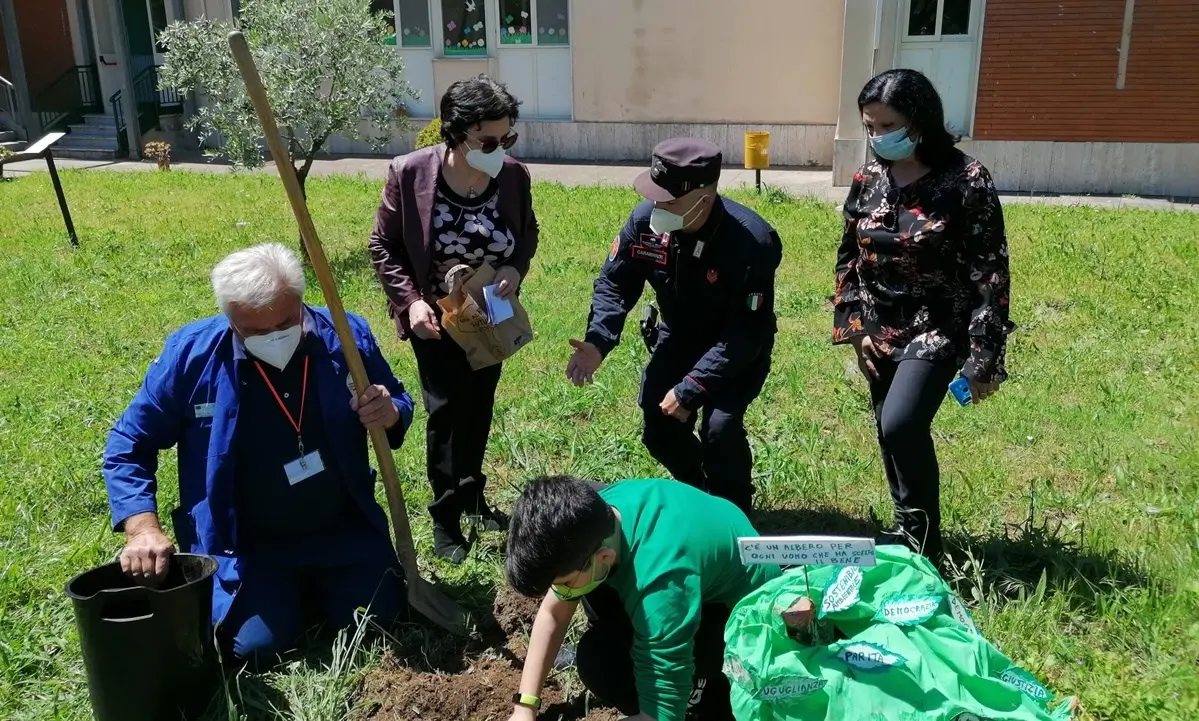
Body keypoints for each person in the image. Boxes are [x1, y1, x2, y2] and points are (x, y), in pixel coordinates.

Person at [103, 243, 415, 666]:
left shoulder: (345, 335)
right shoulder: (191, 356)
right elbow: (129, 443)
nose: (273, 338)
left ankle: (320, 590)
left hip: (341, 528)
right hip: (248, 547)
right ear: (230, 318)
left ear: (301, 300)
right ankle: (279, 598)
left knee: (380, 620)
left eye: (286, 322)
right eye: (254, 331)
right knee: (251, 651)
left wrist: (390, 410)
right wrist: (142, 529)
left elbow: (395, 397)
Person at [832, 68, 1014, 560]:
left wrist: (983, 358)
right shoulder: (869, 177)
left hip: (938, 325)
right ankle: (908, 531)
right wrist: (854, 329)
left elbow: (990, 273)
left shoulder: (965, 179)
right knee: (889, 432)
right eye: (869, 126)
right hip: (878, 324)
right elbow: (850, 253)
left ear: (920, 120)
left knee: (902, 425)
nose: (876, 137)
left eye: (886, 125)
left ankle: (925, 549)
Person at [370, 75, 539, 564]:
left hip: (491, 311)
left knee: (479, 405)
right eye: (489, 140)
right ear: (455, 131)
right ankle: (445, 519)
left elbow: (526, 234)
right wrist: (410, 302)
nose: (500, 149)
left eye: (508, 138)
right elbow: (383, 246)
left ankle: (473, 494)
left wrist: (512, 267)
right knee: (446, 413)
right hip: (437, 318)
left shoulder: (514, 176)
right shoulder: (410, 173)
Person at [565, 138, 782, 513]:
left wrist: (691, 388)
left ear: (706, 196)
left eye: (669, 200)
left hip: (735, 347)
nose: (657, 206)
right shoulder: (644, 222)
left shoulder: (752, 241)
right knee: (658, 425)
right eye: (655, 196)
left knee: (720, 428)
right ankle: (697, 490)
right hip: (679, 336)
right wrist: (598, 340)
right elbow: (616, 282)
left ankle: (734, 514)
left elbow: (745, 334)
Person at [504, 476, 779, 721]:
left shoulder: (663, 584)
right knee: (601, 642)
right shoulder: (595, 512)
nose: (559, 593)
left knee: (605, 666)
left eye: (562, 584)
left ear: (604, 558)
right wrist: (525, 707)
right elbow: (553, 614)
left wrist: (659, 706)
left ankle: (706, 693)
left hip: (743, 622)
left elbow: (661, 715)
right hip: (693, 571)